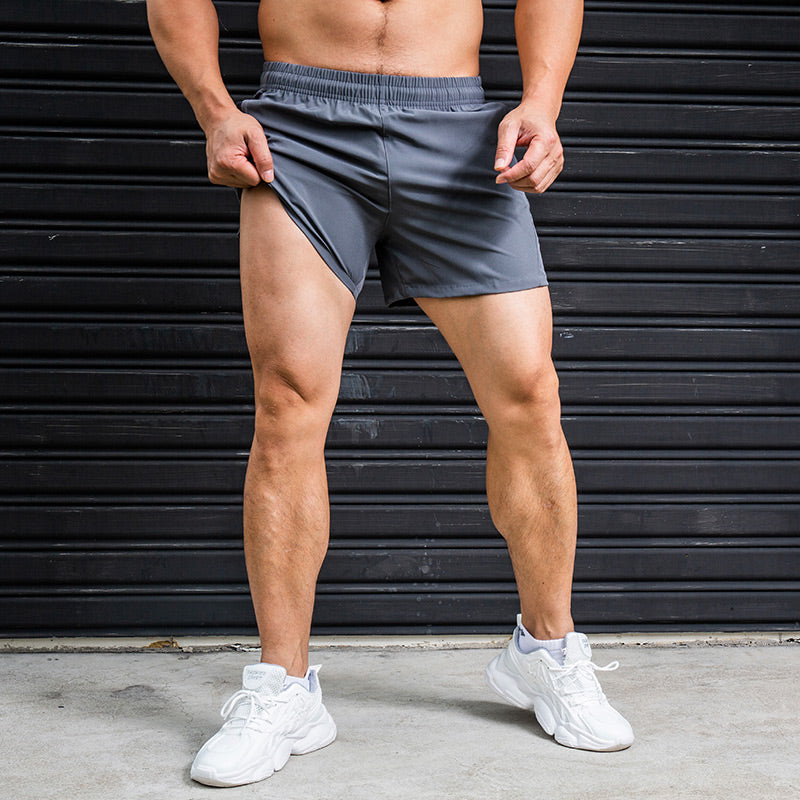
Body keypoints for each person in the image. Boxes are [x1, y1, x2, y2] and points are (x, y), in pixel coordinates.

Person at [145, 0, 634, 786]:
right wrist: (214, 106)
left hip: (457, 128)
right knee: (289, 401)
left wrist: (542, 103)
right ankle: (285, 686)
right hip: (300, 129)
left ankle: (544, 654)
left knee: (529, 393)